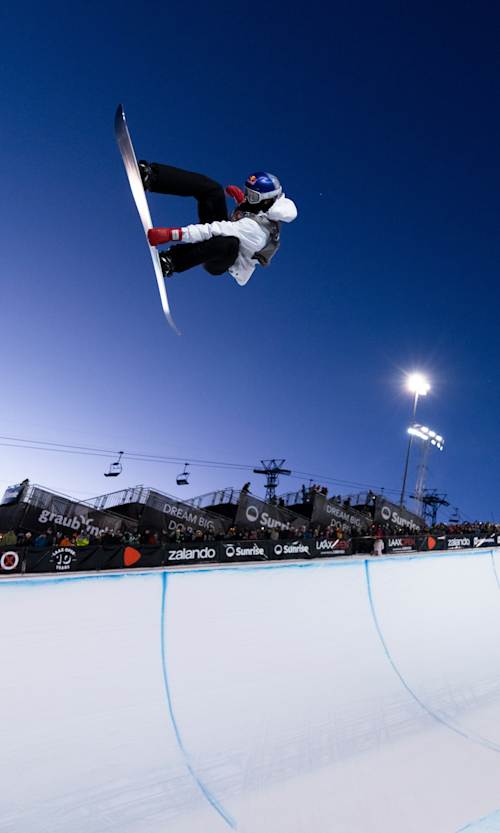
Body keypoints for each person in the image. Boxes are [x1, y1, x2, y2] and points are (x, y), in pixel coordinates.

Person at [138, 162, 297, 286]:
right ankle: (152, 177)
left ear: (268, 200)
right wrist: (242, 202)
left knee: (228, 243)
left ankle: (170, 262)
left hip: (222, 260)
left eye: (253, 197)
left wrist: (172, 234)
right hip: (228, 233)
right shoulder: (265, 206)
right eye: (247, 192)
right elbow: (255, 211)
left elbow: (214, 230)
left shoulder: (256, 230)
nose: (248, 199)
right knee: (213, 190)